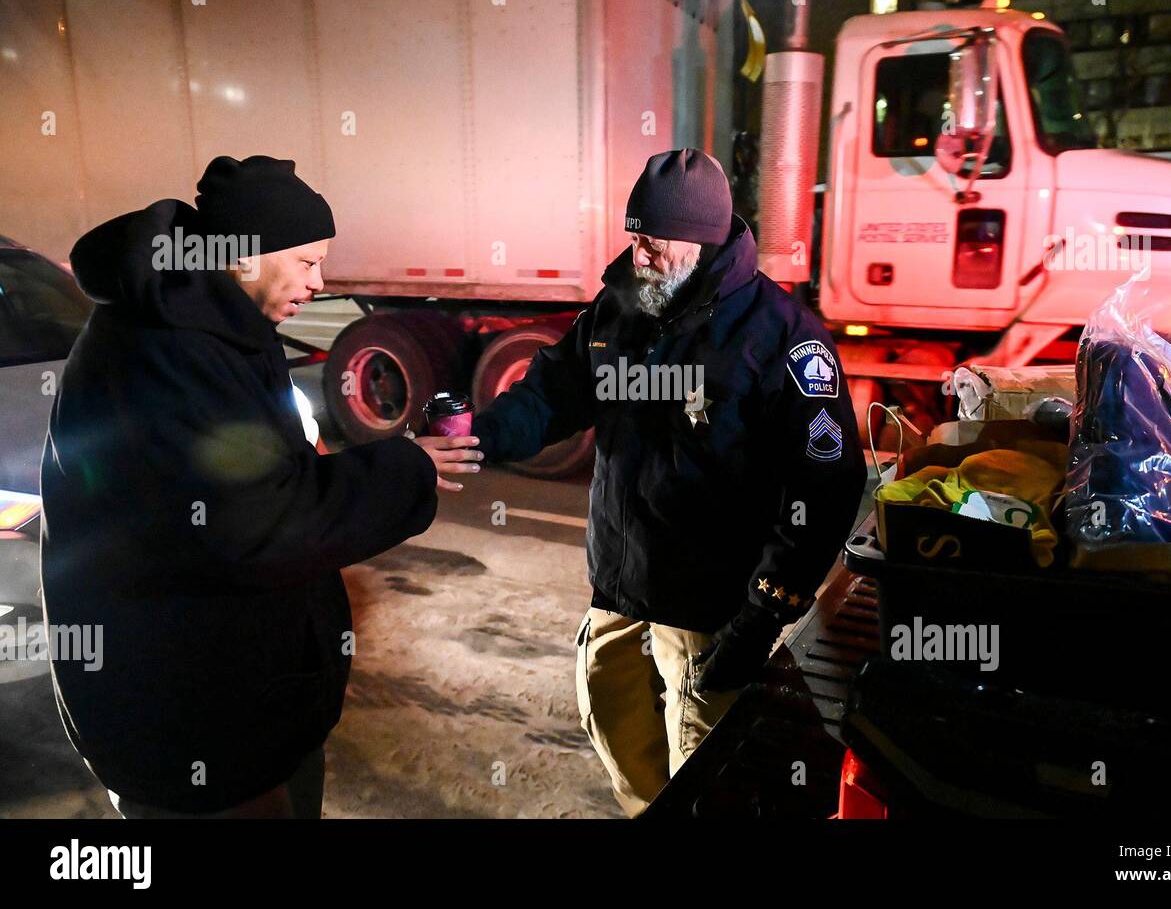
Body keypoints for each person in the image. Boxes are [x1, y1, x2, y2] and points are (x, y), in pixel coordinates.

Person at [40, 155, 480, 817]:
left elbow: (272, 486)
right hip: (190, 732)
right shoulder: (169, 350)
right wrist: (407, 469)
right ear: (245, 256)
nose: (321, 281)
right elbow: (260, 522)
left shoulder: (221, 327)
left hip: (242, 715)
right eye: (306, 262)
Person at [472, 148, 866, 816]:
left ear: (701, 242)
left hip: (710, 611)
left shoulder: (782, 338)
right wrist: (478, 438)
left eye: (651, 244)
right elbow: (554, 392)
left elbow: (825, 484)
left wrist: (764, 611)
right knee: (613, 724)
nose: (637, 257)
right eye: (633, 240)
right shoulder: (619, 308)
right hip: (622, 585)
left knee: (703, 770)